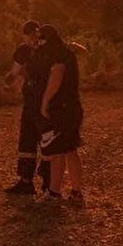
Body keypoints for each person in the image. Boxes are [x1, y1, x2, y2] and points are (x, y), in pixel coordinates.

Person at [35, 23, 85, 206]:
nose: (39, 42)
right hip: (72, 106)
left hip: (61, 109)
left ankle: (55, 192)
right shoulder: (66, 52)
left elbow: (56, 77)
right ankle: (74, 192)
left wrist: (45, 102)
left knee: (58, 151)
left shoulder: (57, 54)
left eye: (41, 38)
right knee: (69, 149)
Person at [3, 20, 50, 195]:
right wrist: (8, 81)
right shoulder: (23, 51)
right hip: (30, 101)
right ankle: (25, 181)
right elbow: (15, 71)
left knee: (47, 141)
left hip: (46, 102)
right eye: (27, 37)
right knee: (27, 140)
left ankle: (49, 183)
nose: (31, 40)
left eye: (33, 36)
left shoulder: (48, 50)